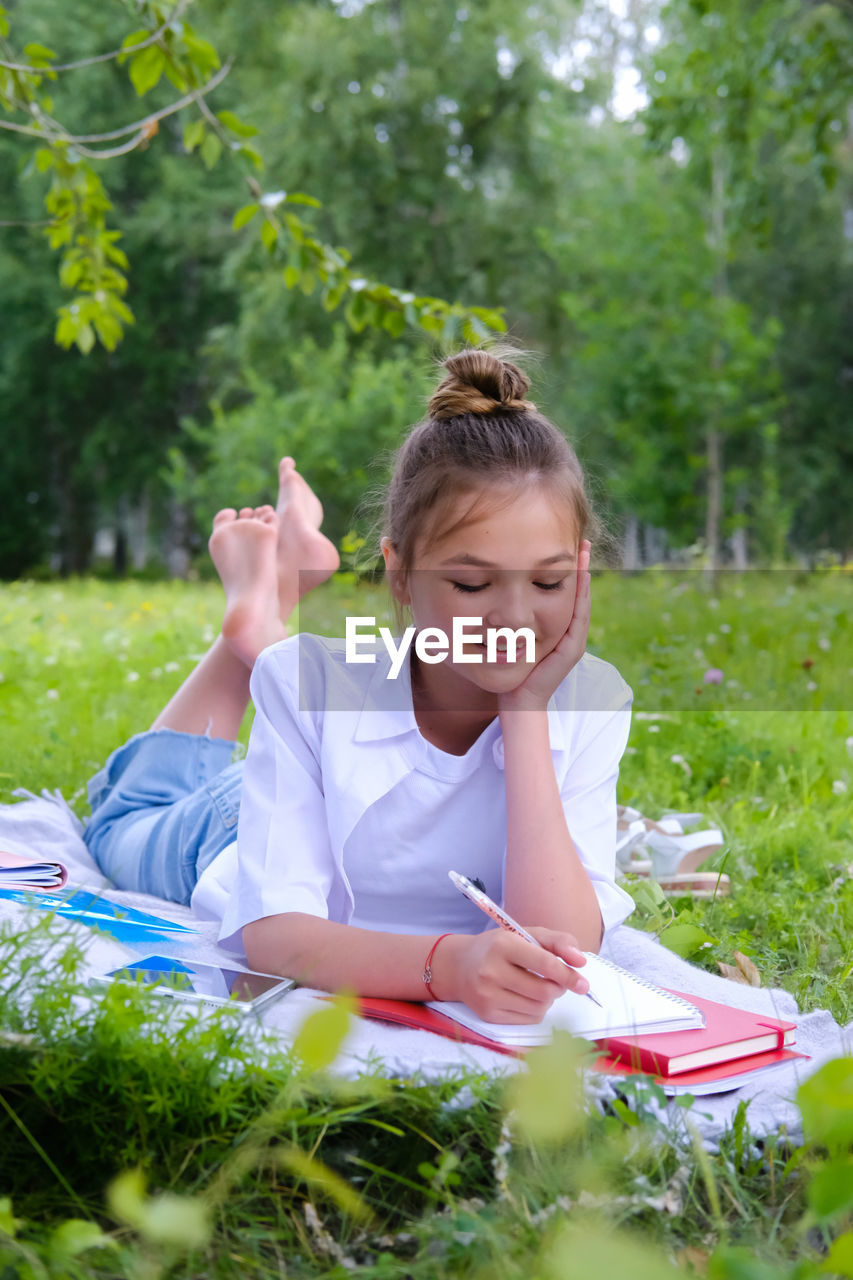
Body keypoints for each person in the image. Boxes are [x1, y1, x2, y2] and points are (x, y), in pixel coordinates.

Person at [84, 350, 634, 1025]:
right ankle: (248, 633)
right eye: (471, 583)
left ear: (580, 572)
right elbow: (275, 936)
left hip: (327, 776)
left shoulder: (590, 701)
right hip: (237, 826)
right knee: (120, 820)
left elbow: (562, 948)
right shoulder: (308, 689)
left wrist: (524, 711)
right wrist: (449, 966)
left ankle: (258, 617)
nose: (514, 619)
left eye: (547, 581)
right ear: (398, 574)